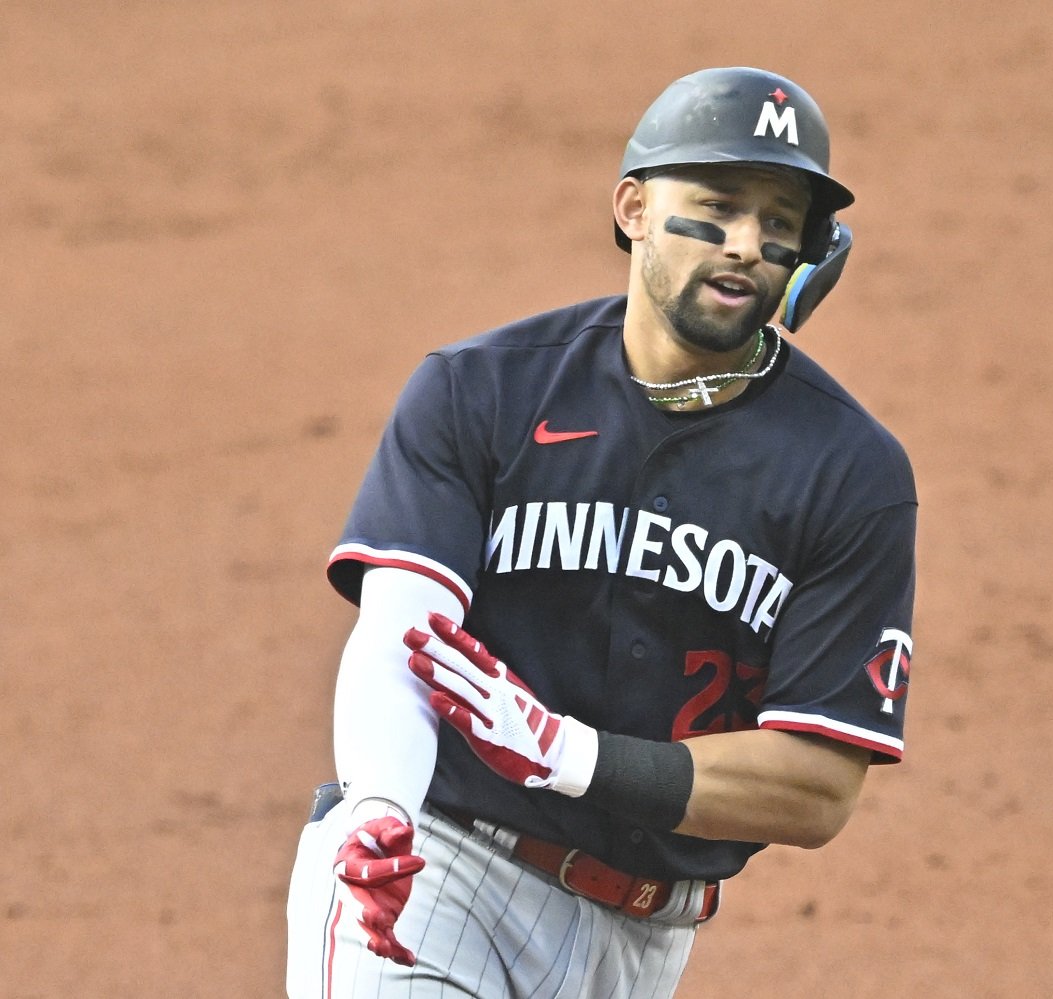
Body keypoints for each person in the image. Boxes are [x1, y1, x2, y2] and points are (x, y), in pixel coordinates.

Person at [284, 65, 917, 998]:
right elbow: (399, 635)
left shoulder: (851, 474)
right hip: (436, 873)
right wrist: (380, 805)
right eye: (718, 205)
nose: (746, 243)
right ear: (632, 207)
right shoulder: (482, 392)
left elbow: (821, 785)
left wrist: (568, 752)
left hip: (643, 941)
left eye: (780, 223)